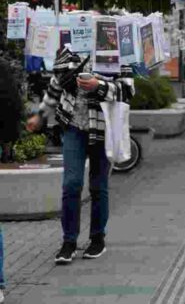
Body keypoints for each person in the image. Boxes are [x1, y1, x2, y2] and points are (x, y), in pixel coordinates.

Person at [26, 46, 135, 264]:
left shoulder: (117, 54)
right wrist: (40, 115)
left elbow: (128, 91)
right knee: (71, 184)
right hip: (73, 126)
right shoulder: (69, 52)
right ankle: (68, 242)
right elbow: (56, 87)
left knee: (98, 186)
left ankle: (97, 239)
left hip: (103, 128)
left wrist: (99, 85)